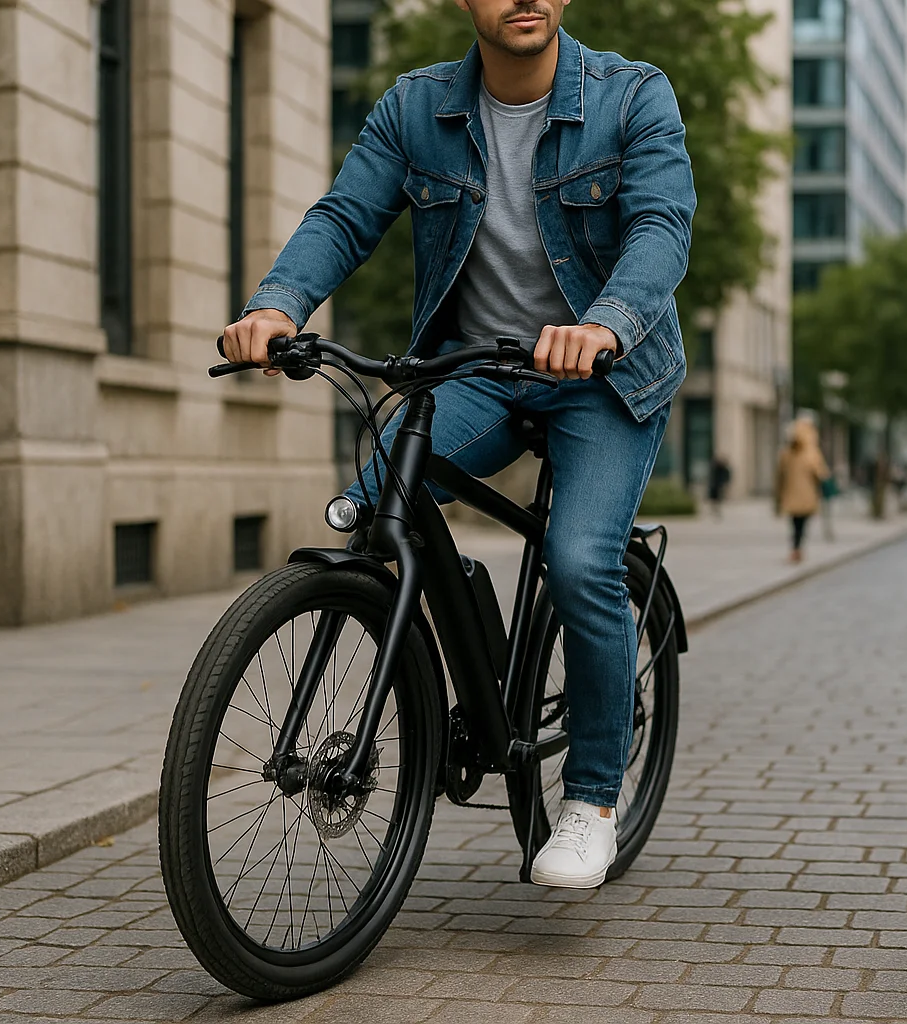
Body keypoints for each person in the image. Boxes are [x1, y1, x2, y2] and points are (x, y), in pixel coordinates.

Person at [219, 0, 695, 889]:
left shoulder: (632, 96)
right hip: (476, 368)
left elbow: (661, 229)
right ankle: (465, 679)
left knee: (578, 559)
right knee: (376, 505)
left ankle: (591, 799)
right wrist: (278, 306)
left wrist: (604, 324)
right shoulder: (416, 107)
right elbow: (345, 216)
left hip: (604, 372)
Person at [776, 419, 830, 564]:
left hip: (791, 495)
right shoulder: (811, 453)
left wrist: (779, 496)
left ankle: (796, 548)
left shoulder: (786, 453)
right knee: (802, 523)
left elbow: (780, 476)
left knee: (795, 523)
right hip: (807, 496)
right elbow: (821, 474)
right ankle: (798, 548)